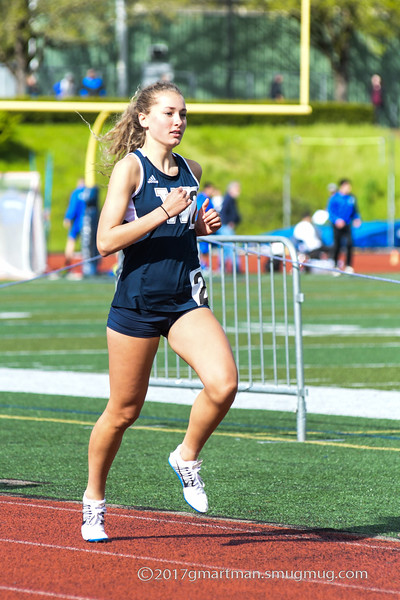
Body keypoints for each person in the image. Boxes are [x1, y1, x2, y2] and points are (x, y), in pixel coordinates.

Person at [81, 81, 238, 542]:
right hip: (137, 301)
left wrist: (201, 227)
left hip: (184, 298)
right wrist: (163, 213)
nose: (178, 122)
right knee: (124, 411)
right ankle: (93, 500)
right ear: (144, 118)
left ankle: (186, 455)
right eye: (169, 113)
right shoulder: (130, 169)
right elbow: (106, 241)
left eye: (184, 114)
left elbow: (181, 231)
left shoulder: (193, 169)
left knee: (224, 382)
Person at [327, 179, 361, 273]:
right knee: (337, 244)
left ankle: (349, 266)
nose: (349, 188)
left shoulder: (351, 198)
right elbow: (330, 211)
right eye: (347, 186)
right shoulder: (335, 197)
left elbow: (355, 211)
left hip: (347, 224)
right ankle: (335, 266)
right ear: (342, 186)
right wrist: (337, 220)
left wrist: (357, 218)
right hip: (337, 225)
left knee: (350, 243)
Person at [63, 178, 87, 273]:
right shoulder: (89, 192)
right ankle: (87, 265)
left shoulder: (76, 192)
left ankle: (67, 263)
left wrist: (68, 218)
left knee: (71, 239)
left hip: (77, 221)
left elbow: (72, 206)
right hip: (88, 221)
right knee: (86, 243)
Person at [219, 181, 241, 272]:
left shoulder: (229, 198)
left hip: (225, 226)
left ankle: (221, 268)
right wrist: (229, 222)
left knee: (225, 248)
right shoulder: (228, 199)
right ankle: (235, 268)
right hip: (226, 227)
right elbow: (223, 212)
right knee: (231, 248)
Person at [196, 182, 215, 270]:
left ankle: (203, 265)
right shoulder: (204, 198)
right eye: (211, 189)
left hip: (201, 225)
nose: (212, 191)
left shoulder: (199, 196)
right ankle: (202, 266)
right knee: (202, 248)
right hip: (202, 225)